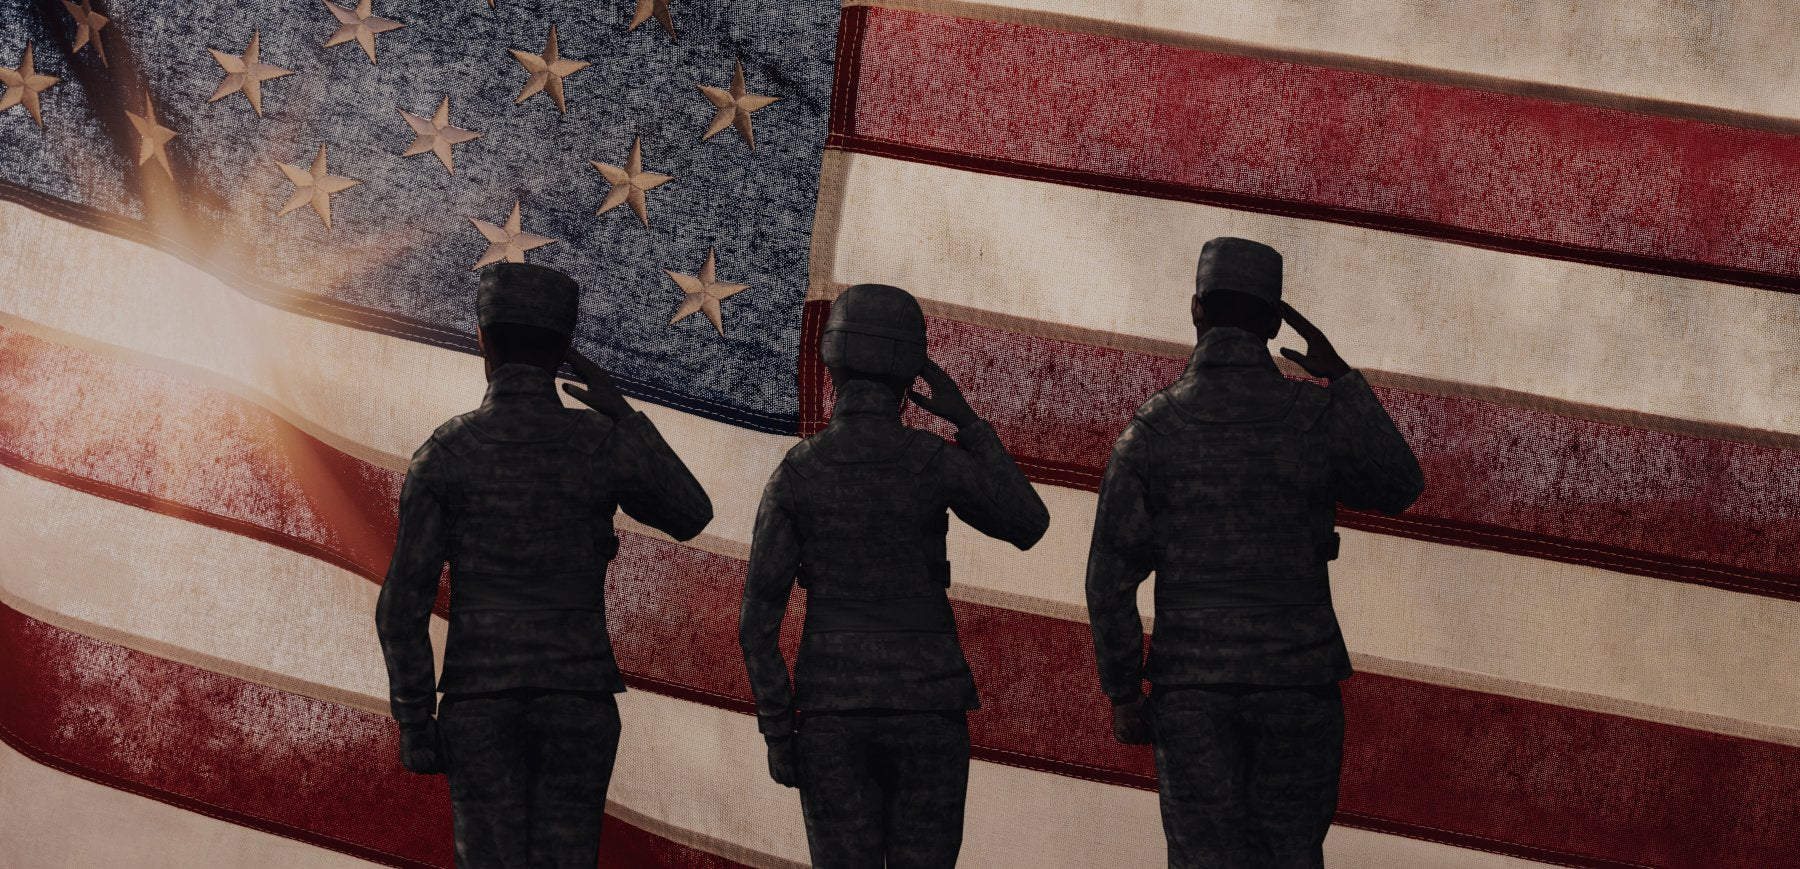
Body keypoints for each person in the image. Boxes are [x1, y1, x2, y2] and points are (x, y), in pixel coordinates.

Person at [1085, 237, 1424, 868]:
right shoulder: (1317, 417)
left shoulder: (1150, 432)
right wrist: (1343, 379)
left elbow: (1109, 580)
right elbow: (1401, 484)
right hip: (1298, 683)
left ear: (1196, 311)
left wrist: (1125, 692)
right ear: (1273, 323)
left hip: (1192, 690)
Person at [375, 262, 713, 868]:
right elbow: (690, 512)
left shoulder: (446, 452)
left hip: (480, 700)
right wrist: (626, 417)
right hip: (576, 698)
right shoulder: (600, 443)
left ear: (483, 340)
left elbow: (403, 603)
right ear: (563, 350)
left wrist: (414, 718)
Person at [739, 283, 1050, 868]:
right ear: (911, 369)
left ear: (831, 360)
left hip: (832, 715)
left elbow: (757, 626)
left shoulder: (797, 474)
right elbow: (1028, 522)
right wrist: (967, 421)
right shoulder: (933, 462)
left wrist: (779, 733)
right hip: (927, 709)